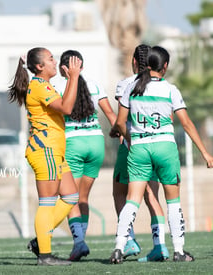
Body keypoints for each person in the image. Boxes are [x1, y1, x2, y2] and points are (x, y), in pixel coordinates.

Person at [109, 46, 213, 264]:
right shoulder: (170, 90)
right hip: (165, 147)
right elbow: (186, 123)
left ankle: (119, 247)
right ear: (164, 67)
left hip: (139, 148)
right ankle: (178, 251)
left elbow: (119, 123)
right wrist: (205, 153)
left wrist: (133, 138)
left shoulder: (132, 88)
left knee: (132, 200)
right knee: (172, 201)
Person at [8, 47, 83, 266]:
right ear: (39, 67)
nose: (55, 61)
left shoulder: (45, 85)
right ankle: (45, 255)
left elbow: (63, 107)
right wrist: (74, 76)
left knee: (70, 197)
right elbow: (67, 108)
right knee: (47, 203)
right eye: (51, 59)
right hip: (45, 150)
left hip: (55, 151)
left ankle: (40, 241)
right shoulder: (39, 86)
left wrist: (71, 79)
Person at [56, 50, 117, 261]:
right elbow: (111, 115)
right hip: (96, 143)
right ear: (81, 66)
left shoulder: (57, 86)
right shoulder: (95, 85)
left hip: (73, 143)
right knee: (83, 197)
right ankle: (79, 241)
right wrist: (120, 134)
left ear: (63, 69)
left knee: (69, 197)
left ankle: (79, 243)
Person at [112, 44, 169, 262]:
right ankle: (160, 246)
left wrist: (123, 137)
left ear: (134, 61)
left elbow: (121, 122)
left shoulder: (126, 84)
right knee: (152, 196)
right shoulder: (164, 87)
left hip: (133, 148)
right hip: (159, 146)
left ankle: (129, 240)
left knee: (121, 194)